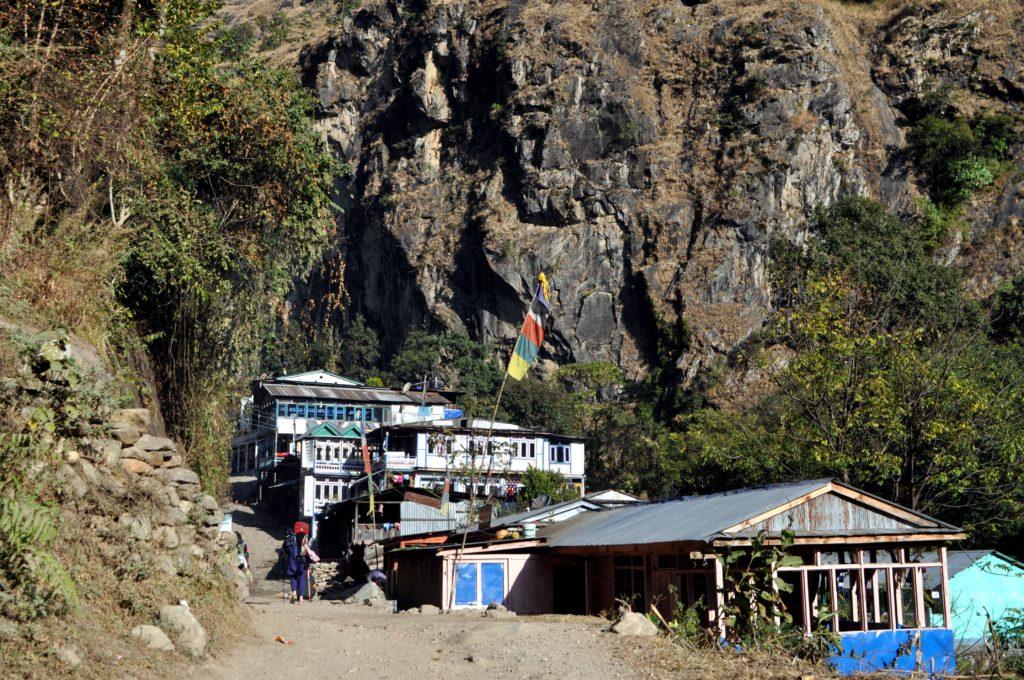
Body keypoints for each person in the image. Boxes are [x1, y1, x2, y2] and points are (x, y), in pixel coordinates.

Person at [286, 523, 311, 604]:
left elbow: (287, 548)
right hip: (303, 560)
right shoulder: (308, 538)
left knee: (293, 575)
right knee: (302, 577)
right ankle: (301, 599)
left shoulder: (292, 536)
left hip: (293, 559)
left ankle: (294, 592)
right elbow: (310, 550)